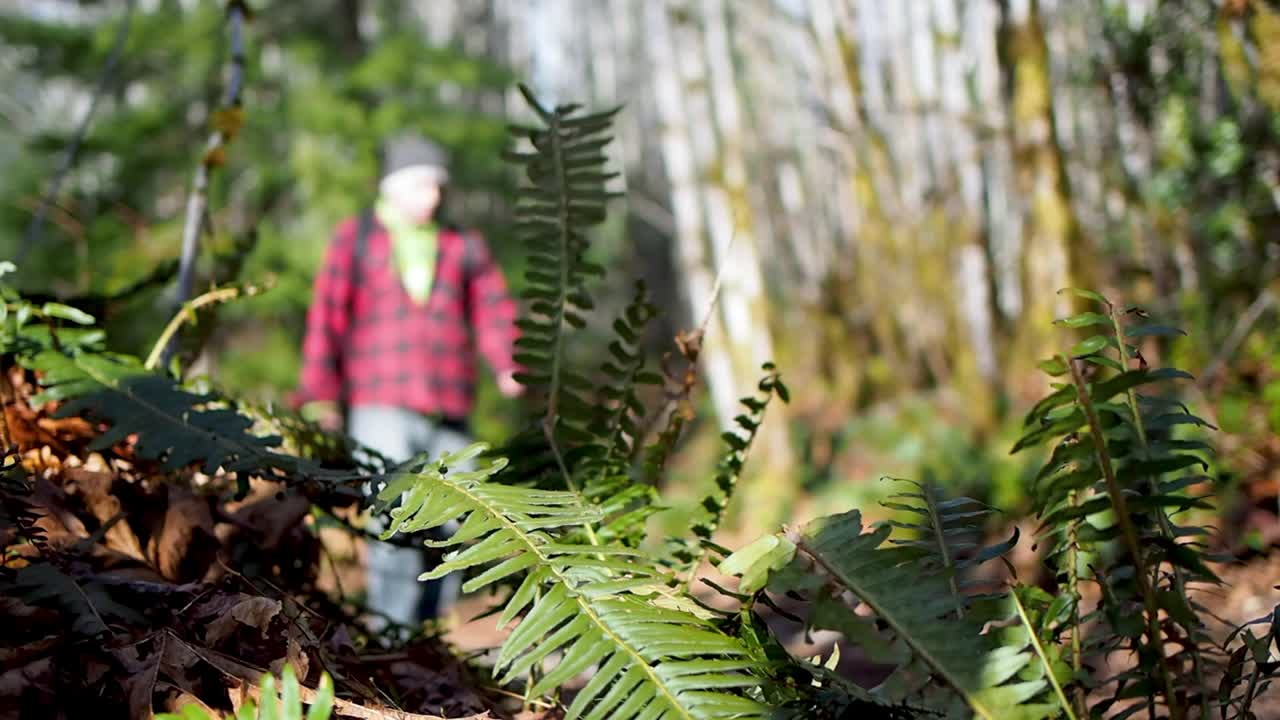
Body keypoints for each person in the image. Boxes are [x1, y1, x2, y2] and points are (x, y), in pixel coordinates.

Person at [294, 132, 522, 628]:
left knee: (461, 518)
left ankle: (433, 628)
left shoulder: (461, 244)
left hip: (447, 407)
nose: (432, 197)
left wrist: (508, 361)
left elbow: (492, 309)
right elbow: (326, 319)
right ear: (393, 188)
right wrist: (320, 396)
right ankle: (390, 633)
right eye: (421, 186)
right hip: (379, 402)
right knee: (394, 516)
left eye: (437, 187)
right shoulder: (357, 241)